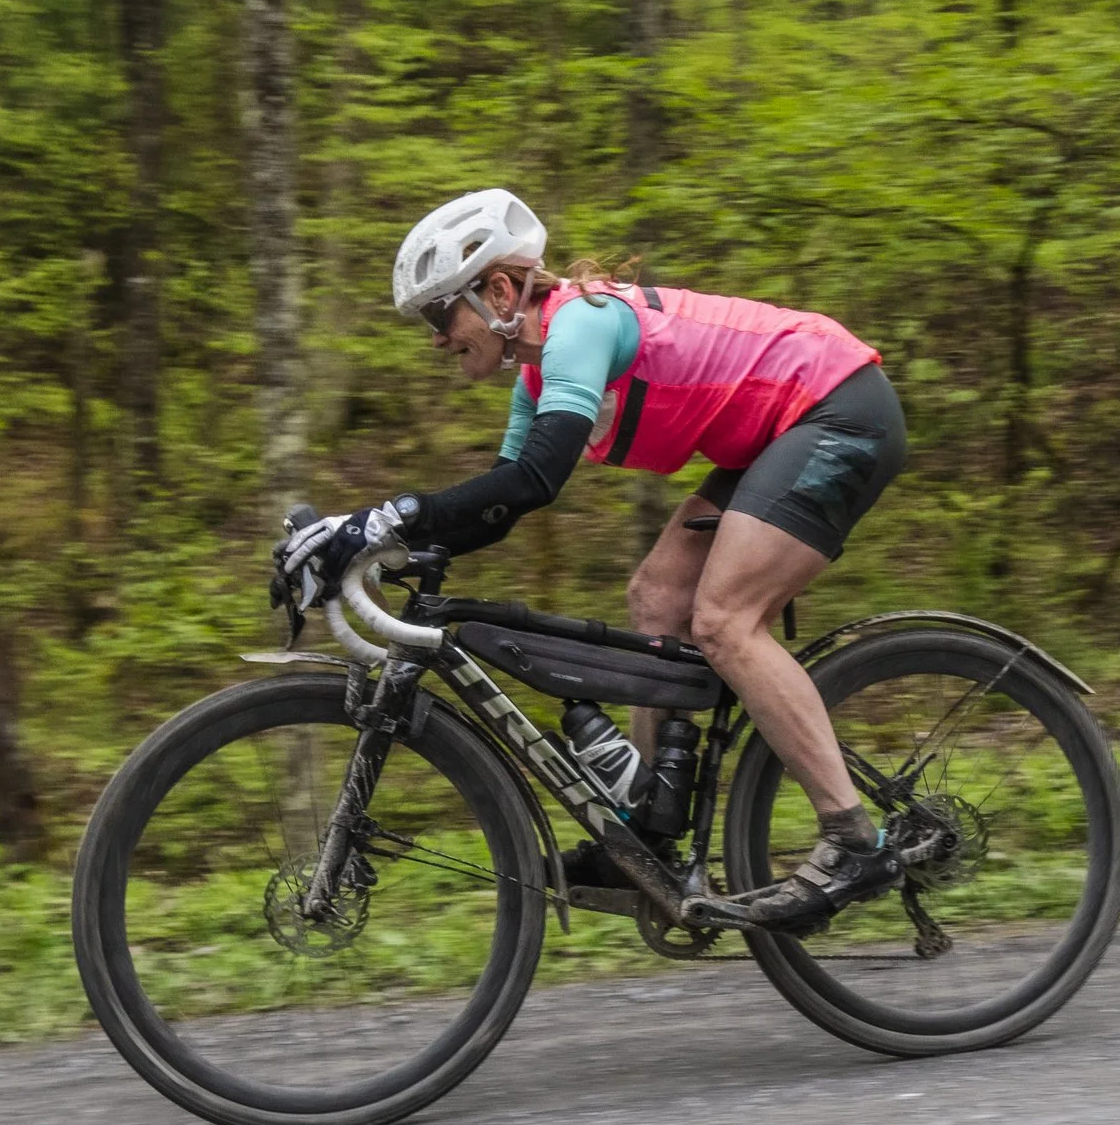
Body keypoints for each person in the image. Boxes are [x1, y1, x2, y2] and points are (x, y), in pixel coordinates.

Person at [278, 188, 909, 929]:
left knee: (723, 621)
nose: (436, 339)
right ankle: (647, 834)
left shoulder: (581, 324)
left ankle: (853, 837)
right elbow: (507, 503)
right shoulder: (538, 374)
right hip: (775, 434)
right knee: (656, 599)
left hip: (837, 410)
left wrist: (384, 518)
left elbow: (538, 475)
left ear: (501, 290)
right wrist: (378, 540)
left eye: (438, 313)